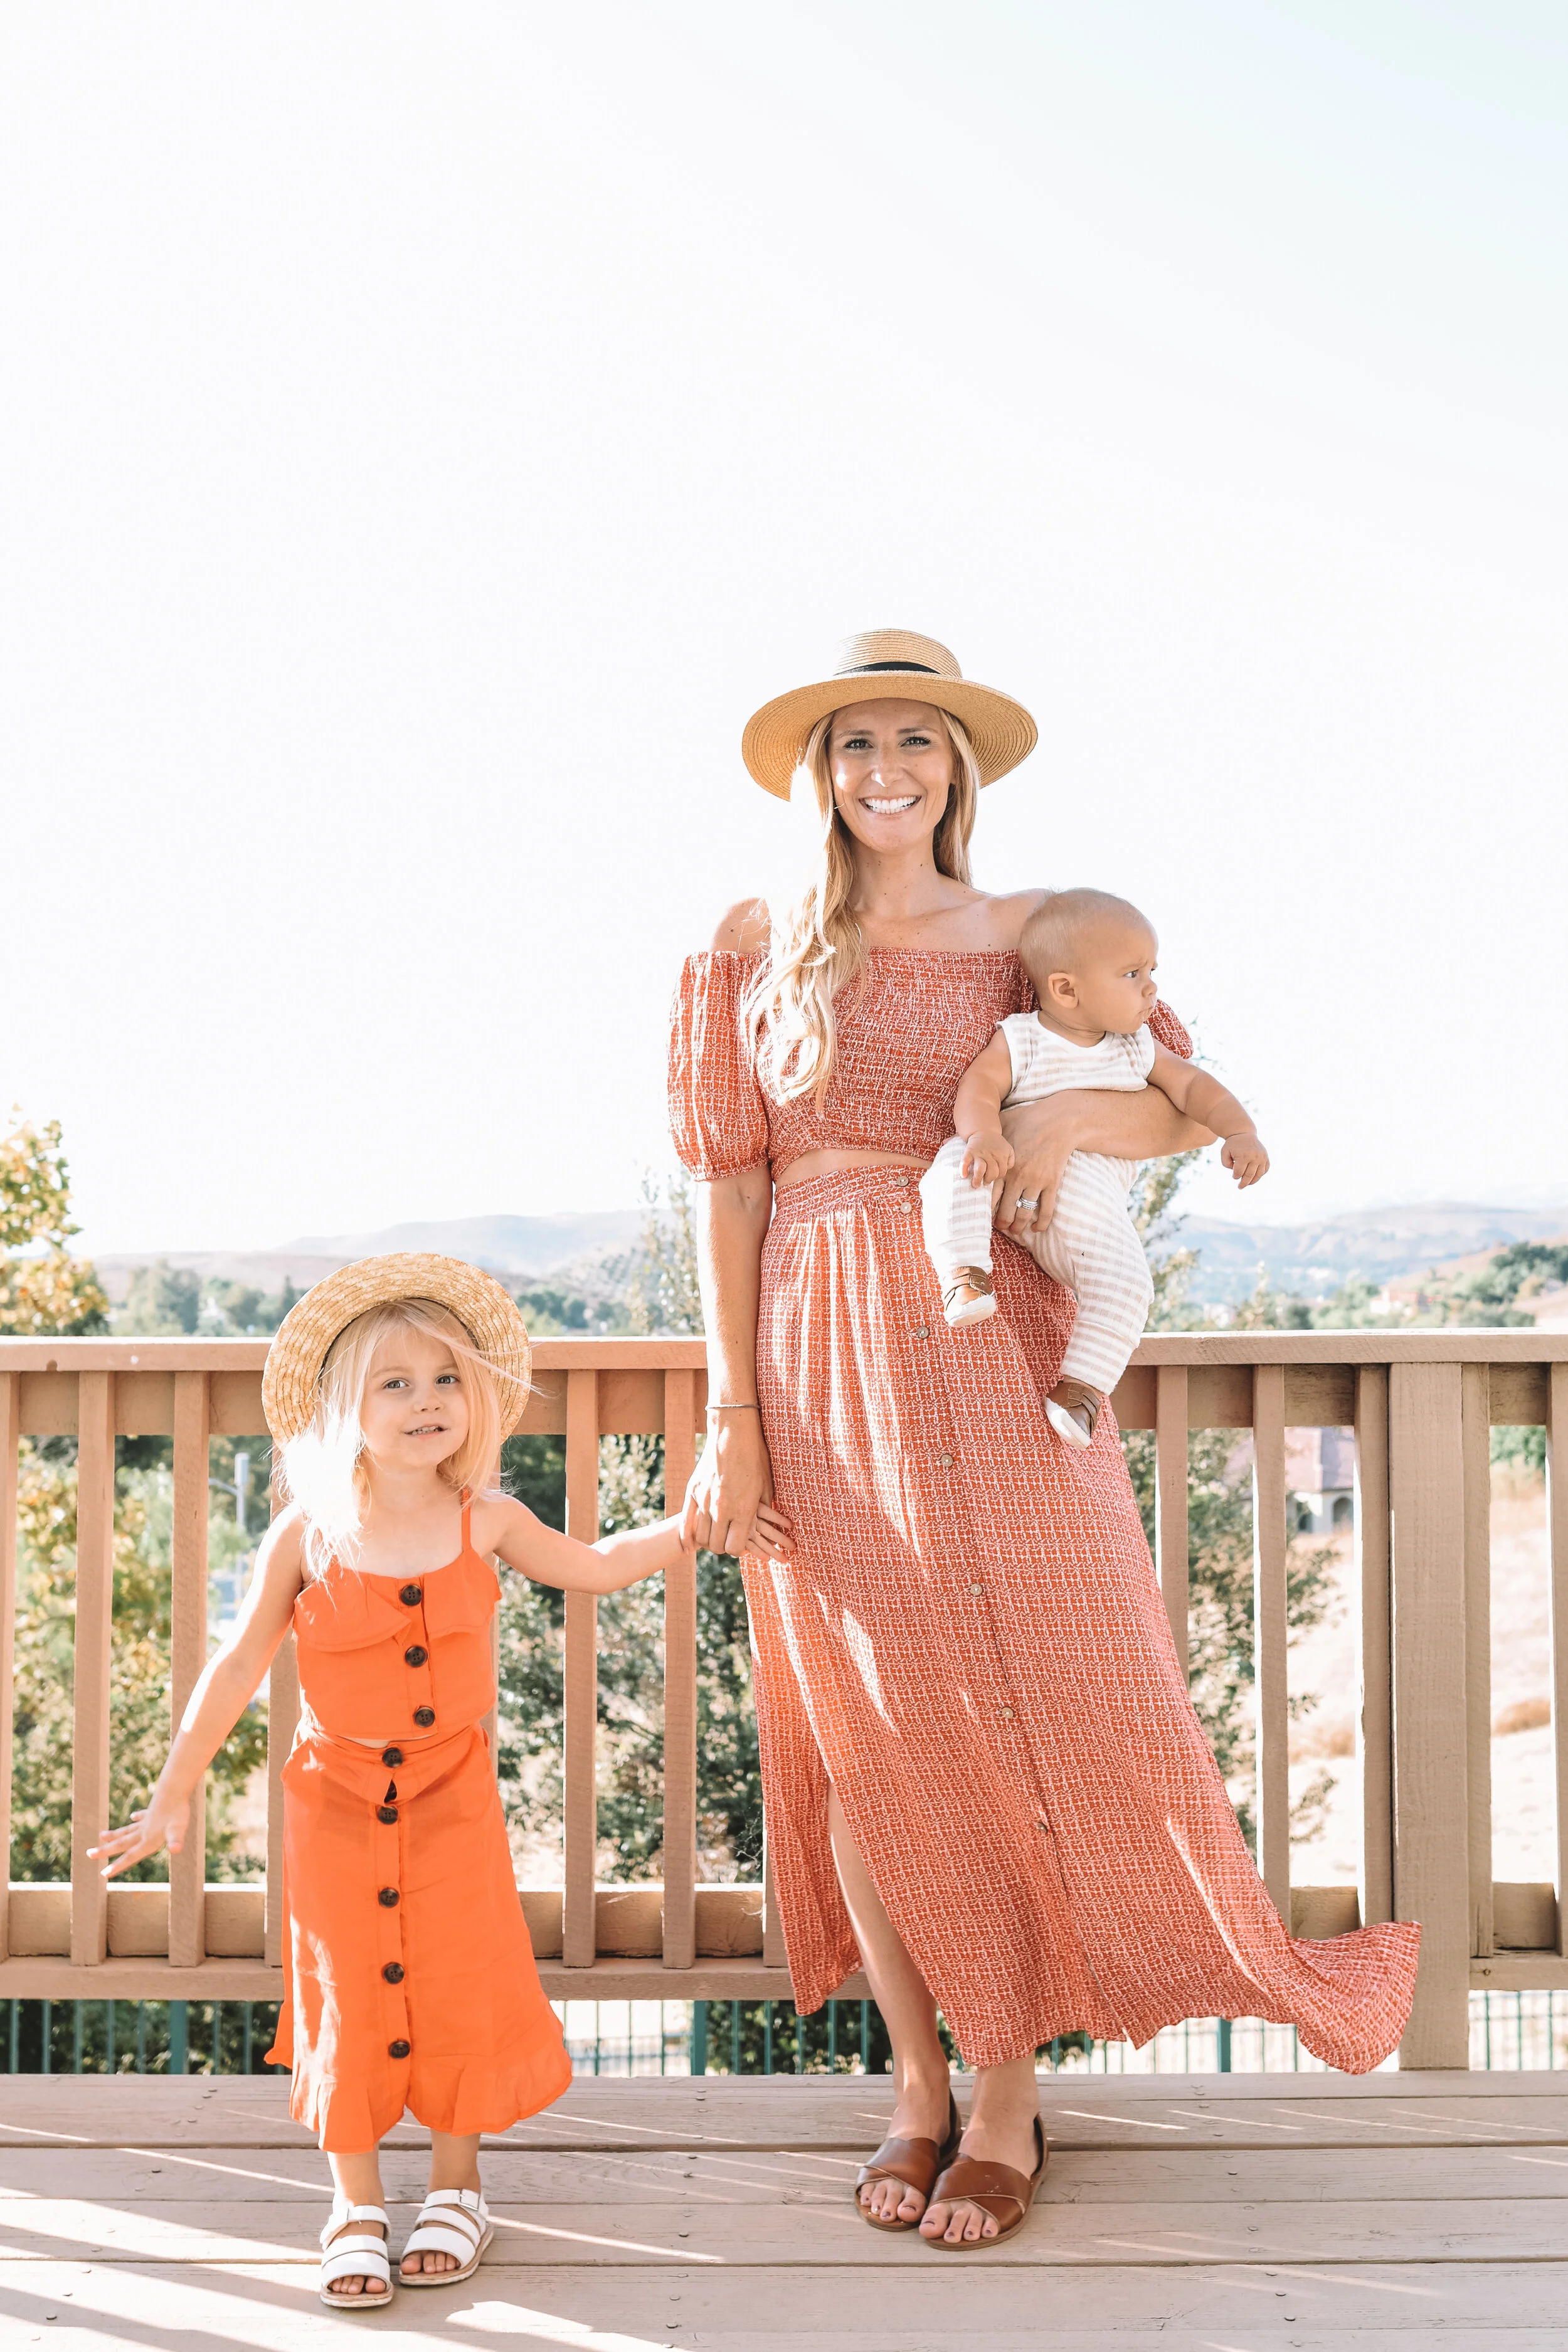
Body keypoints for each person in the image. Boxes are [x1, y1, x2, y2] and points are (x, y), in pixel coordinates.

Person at [670, 629, 1419, 2253]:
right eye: (854, 741)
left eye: (914, 741)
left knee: (1058, 1679)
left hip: (997, 1335)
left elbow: (1176, 1084)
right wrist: (729, 1412)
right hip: (808, 1346)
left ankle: (1011, 2090)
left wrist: (1063, 1119)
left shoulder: (1034, 932)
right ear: (819, 767)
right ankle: (923, 2081)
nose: (884, 768)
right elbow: (724, 1180)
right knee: (868, 1723)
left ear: (960, 766)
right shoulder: (747, 942)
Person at [92, 1253, 785, 2311]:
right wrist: (174, 1789)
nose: (427, 1403)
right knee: (346, 1995)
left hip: (454, 1803)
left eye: (446, 1381)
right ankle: (355, 2204)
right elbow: (235, 1667)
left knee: (459, 1981)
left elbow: (595, 1566)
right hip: (334, 1806)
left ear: (476, 1399)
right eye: (396, 1384)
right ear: (346, 1408)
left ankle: (459, 2188)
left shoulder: (487, 1519)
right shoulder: (310, 1533)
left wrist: (691, 1526)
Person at [918, 884, 1269, 1448]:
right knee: (952, 1168)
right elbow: (979, 1085)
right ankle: (965, 1272)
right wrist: (984, 1134)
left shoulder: (1139, 1049)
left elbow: (1197, 1088)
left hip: (1089, 1216)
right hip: (1005, 1174)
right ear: (1066, 989)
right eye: (1133, 974)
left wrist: (1241, 1131)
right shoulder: (1023, 1038)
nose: (1151, 986)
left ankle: (1080, 1389)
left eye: (1153, 969)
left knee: (1130, 1284)